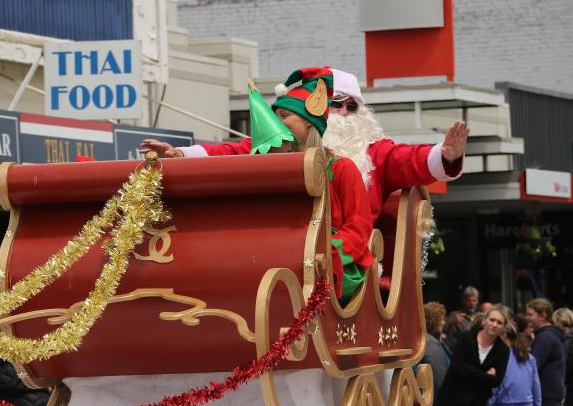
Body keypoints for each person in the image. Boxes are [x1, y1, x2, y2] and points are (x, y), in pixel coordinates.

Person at [140, 67, 469, 223]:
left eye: (350, 106)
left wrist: (445, 154)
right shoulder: (284, 144)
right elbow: (236, 151)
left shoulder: (372, 151)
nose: (342, 112)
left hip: (345, 255)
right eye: (335, 104)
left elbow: (411, 159)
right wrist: (180, 154)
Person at [244, 67, 373, 304]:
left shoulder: (342, 168)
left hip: (333, 264)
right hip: (284, 260)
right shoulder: (273, 169)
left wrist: (321, 250)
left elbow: (358, 228)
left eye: (284, 116)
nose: (277, 122)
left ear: (308, 122)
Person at [434, 305, 509, 406]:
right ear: (484, 320)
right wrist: (485, 376)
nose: (495, 324)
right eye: (492, 320)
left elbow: (497, 380)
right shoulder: (466, 338)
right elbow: (457, 368)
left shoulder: (502, 349)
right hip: (451, 402)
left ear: (503, 327)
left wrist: (468, 369)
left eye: (499, 322)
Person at [487, 323, 541, 406]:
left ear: (503, 335)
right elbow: (535, 385)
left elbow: (494, 385)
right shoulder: (528, 356)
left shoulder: (498, 356)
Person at [526, 298, 566, 406]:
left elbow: (533, 364)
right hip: (549, 395)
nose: (527, 317)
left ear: (542, 315)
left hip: (544, 396)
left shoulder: (545, 337)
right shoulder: (547, 335)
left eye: (530, 314)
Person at [421, 301, 451, 401]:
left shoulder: (425, 340)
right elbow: (440, 378)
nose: (444, 322)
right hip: (438, 402)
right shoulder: (430, 343)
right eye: (442, 319)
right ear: (434, 320)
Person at [444, 286, 480, 352]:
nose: (472, 303)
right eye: (469, 300)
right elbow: (446, 337)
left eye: (474, 301)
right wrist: (452, 324)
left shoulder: (480, 317)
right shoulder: (455, 315)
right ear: (463, 301)